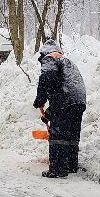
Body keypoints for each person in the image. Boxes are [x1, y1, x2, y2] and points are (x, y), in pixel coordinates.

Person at [33, 40, 86, 178]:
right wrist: (48, 114)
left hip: (65, 99)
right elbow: (62, 96)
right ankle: (71, 165)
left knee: (58, 135)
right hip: (79, 100)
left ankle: (58, 169)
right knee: (71, 134)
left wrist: (41, 98)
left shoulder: (50, 58)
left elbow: (47, 78)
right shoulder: (66, 61)